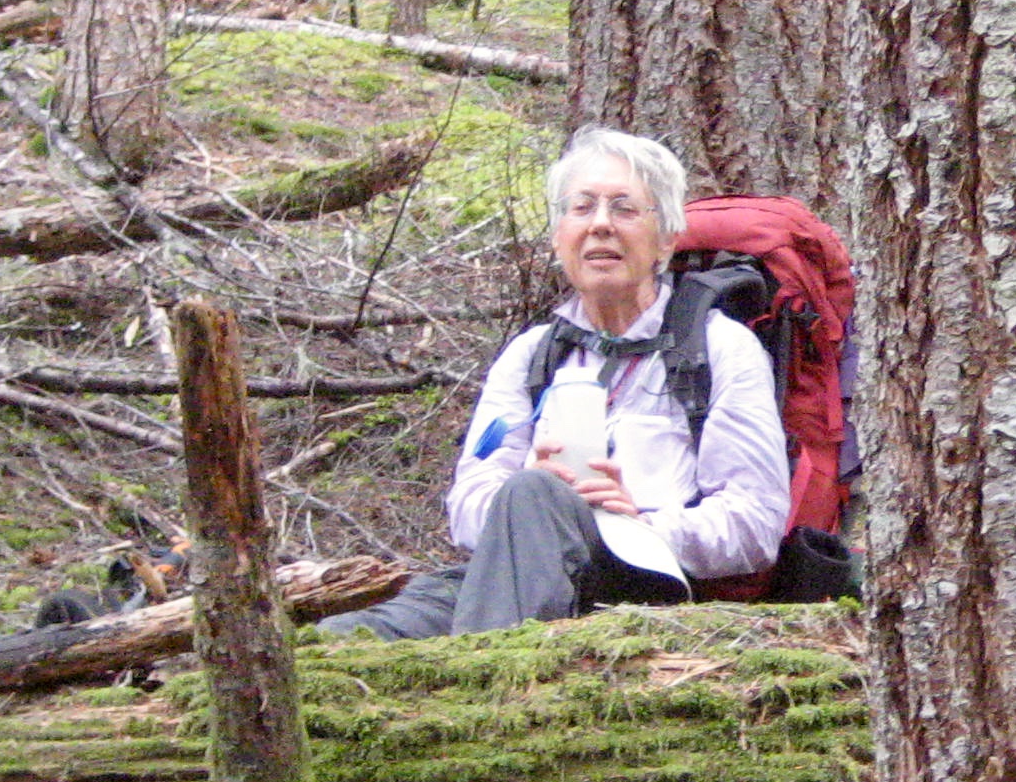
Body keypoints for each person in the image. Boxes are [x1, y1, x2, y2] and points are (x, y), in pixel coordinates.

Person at [324, 128, 789, 639]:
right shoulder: (531, 356)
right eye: (582, 208)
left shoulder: (721, 348)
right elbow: (468, 504)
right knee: (349, 638)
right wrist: (528, 507)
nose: (601, 225)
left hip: (641, 586)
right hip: (512, 574)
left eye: (625, 209)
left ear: (666, 240)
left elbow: (755, 523)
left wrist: (638, 523)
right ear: (557, 237)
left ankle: (489, 693)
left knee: (533, 494)